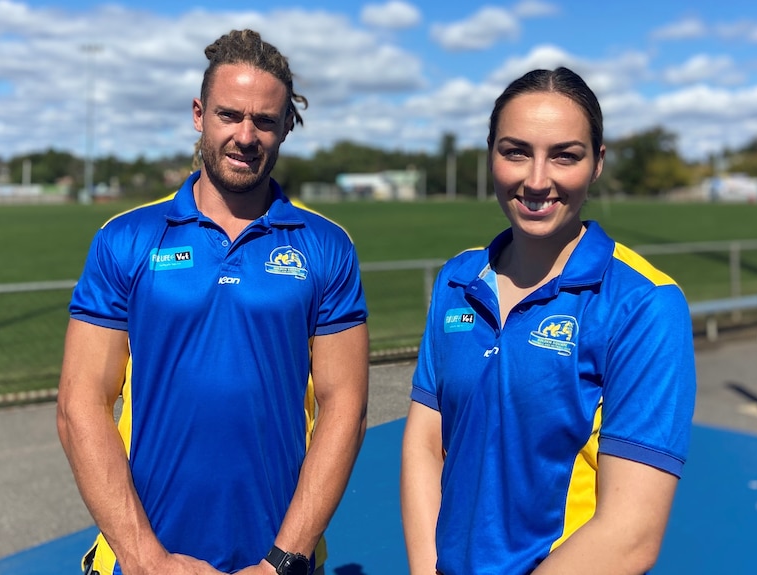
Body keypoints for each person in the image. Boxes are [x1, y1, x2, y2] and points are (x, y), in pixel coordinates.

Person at [57, 29, 369, 575]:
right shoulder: (126, 237)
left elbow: (345, 408)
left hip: (274, 560)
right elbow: (79, 403)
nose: (246, 136)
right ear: (200, 114)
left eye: (265, 121)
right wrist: (146, 559)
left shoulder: (326, 246)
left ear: (285, 127)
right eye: (229, 115)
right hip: (139, 560)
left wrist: (283, 560)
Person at [400, 67, 696, 575]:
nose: (537, 180)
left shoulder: (644, 304)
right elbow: (427, 442)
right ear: (490, 154)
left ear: (597, 162)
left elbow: (631, 534)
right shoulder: (457, 278)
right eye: (516, 151)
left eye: (565, 155)